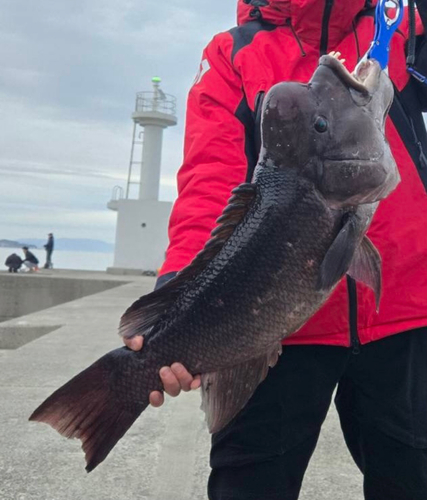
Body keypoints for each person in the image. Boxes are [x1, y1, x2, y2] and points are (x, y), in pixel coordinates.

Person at [125, 1, 427, 499]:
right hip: (270, 324)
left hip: (404, 307)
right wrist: (178, 296)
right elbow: (210, 180)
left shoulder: (402, 29)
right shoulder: (234, 51)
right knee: (250, 484)